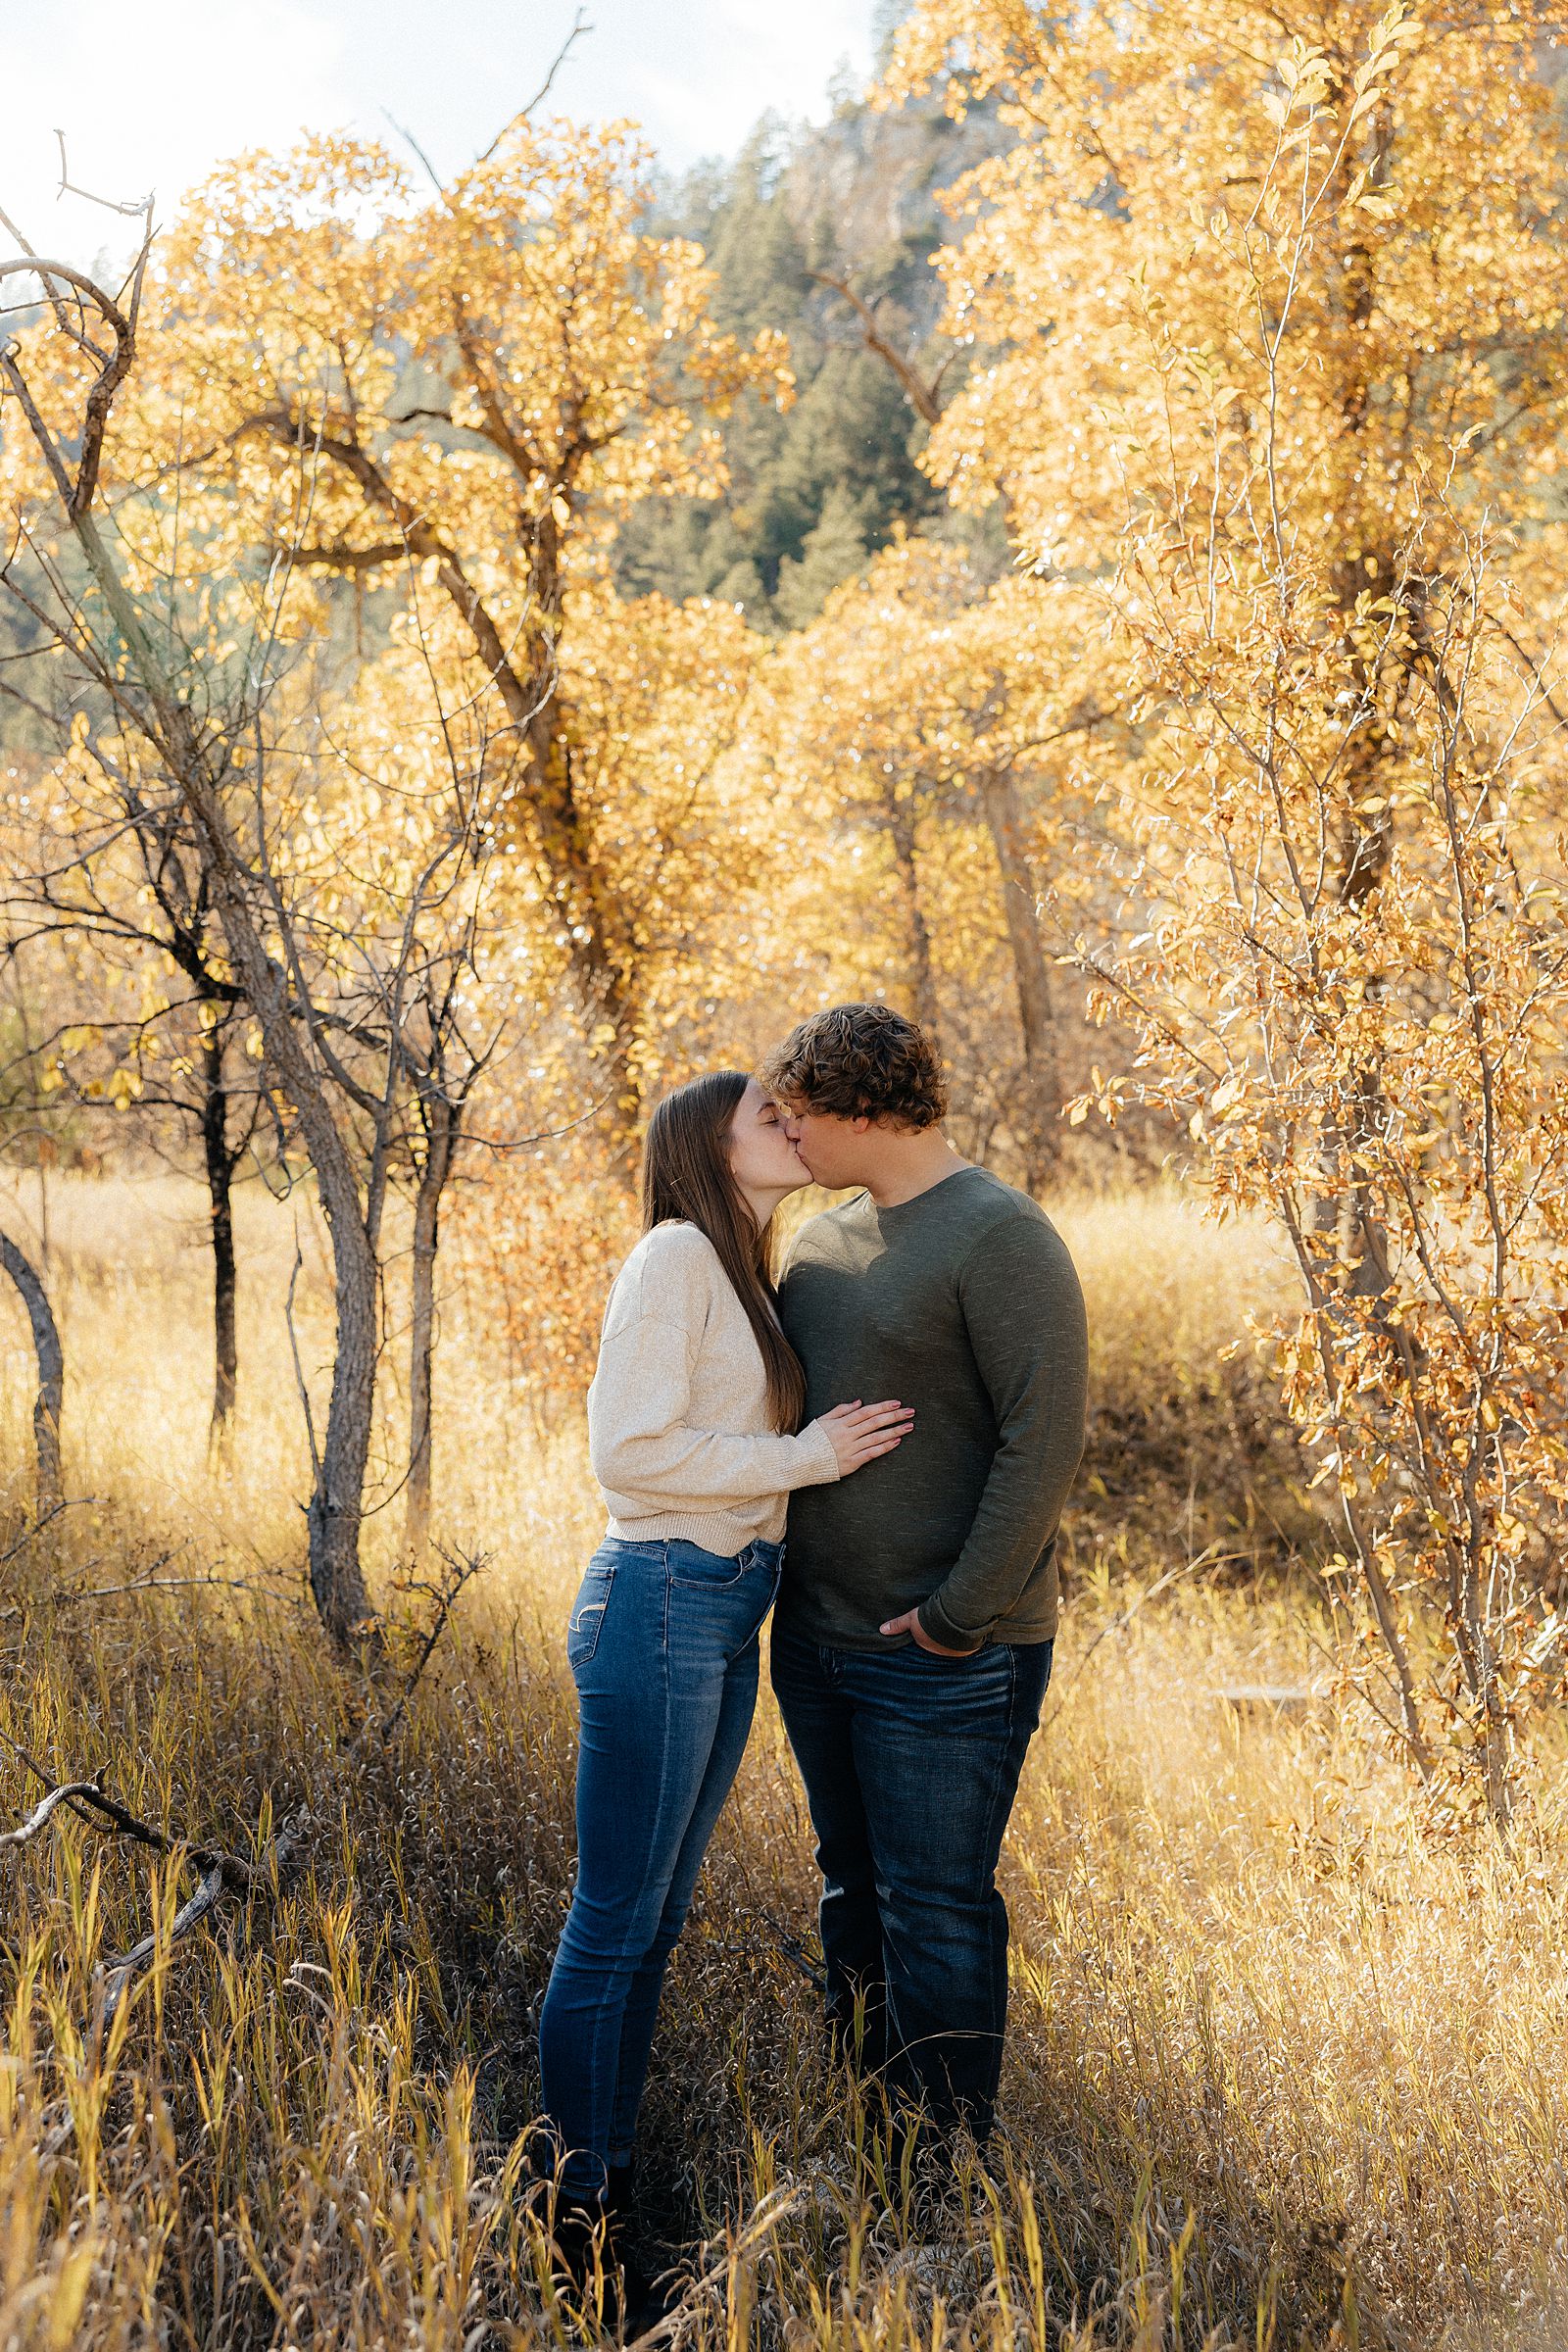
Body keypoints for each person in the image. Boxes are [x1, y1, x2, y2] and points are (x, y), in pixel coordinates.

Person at [535, 1068, 913, 2297]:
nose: (791, 1128)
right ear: (710, 1141)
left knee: (652, 1921)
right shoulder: (672, 1260)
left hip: (717, 1605)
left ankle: (609, 2191)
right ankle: (580, 2226)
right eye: (768, 1116)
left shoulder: (736, 1265)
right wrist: (806, 1455)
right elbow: (627, 1449)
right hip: (658, 1599)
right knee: (614, 1923)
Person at [759, 1003, 1089, 2156]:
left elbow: (1041, 1442)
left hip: (944, 1654)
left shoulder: (998, 1235)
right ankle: (868, 2136)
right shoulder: (818, 1242)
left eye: (801, 1117)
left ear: (861, 1112)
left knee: (934, 1911)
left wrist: (956, 1618)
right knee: (850, 1891)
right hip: (814, 1641)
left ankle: (941, 2182)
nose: (786, 1136)